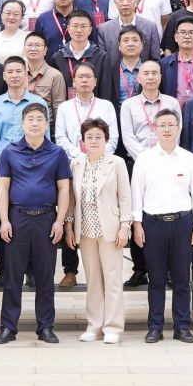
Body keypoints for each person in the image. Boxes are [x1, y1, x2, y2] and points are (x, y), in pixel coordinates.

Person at [0, 102, 71, 343]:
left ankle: (45, 326)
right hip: (17, 219)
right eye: (30, 119)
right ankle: (8, 327)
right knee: (13, 276)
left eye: (39, 119)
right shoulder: (9, 152)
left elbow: (64, 188)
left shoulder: (57, 153)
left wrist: (60, 221)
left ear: (46, 124)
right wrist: (4, 220)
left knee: (45, 276)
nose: (35, 124)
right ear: (22, 124)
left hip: (47, 219)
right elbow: (3, 188)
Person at [131, 108, 193, 343]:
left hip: (183, 223)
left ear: (178, 128)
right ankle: (155, 326)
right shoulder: (144, 159)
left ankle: (182, 326)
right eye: (162, 125)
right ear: (154, 129)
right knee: (156, 279)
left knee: (182, 279)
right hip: (153, 223)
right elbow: (136, 194)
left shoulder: (188, 159)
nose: (166, 129)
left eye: (171, 125)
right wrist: (137, 225)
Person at [68, 118, 132, 343]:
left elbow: (125, 196)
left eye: (98, 137)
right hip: (86, 230)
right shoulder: (76, 164)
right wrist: (69, 226)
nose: (94, 141)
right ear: (82, 141)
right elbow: (72, 199)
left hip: (111, 229)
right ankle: (94, 325)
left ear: (106, 139)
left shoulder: (117, 163)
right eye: (89, 137)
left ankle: (112, 327)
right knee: (93, 279)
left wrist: (125, 226)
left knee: (113, 278)